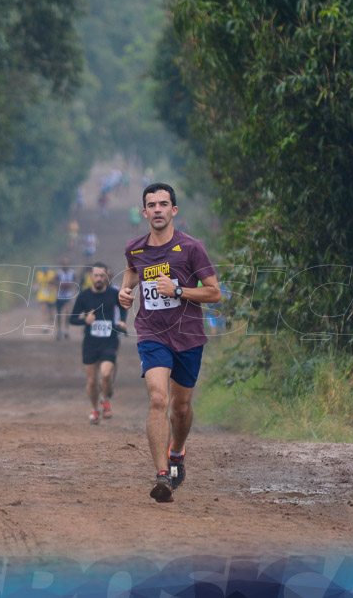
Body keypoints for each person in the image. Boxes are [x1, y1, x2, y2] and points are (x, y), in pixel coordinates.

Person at [118, 183, 221, 503]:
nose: (158, 209)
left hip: (188, 335)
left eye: (164, 204)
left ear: (173, 210)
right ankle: (162, 475)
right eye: (152, 204)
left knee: (180, 407)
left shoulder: (191, 248)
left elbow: (214, 292)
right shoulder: (135, 248)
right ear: (145, 212)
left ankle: (177, 452)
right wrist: (125, 290)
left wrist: (178, 291)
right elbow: (132, 270)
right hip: (151, 333)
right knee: (158, 399)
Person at [71, 262, 128, 424]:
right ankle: (95, 409)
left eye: (102, 276)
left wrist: (123, 322)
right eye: (96, 276)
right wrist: (85, 320)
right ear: (91, 277)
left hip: (109, 342)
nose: (99, 279)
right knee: (91, 381)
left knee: (105, 373)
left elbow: (123, 308)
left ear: (106, 276)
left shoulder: (113, 294)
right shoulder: (84, 296)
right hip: (90, 343)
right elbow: (72, 319)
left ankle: (105, 398)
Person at [55, 258, 78, 340]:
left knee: (68, 312)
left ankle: (66, 330)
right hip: (59, 296)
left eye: (67, 264)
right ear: (62, 265)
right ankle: (59, 330)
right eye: (64, 264)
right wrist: (60, 283)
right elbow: (53, 281)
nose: (65, 265)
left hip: (68, 296)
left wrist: (72, 285)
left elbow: (76, 281)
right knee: (59, 314)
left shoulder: (72, 272)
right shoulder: (58, 273)